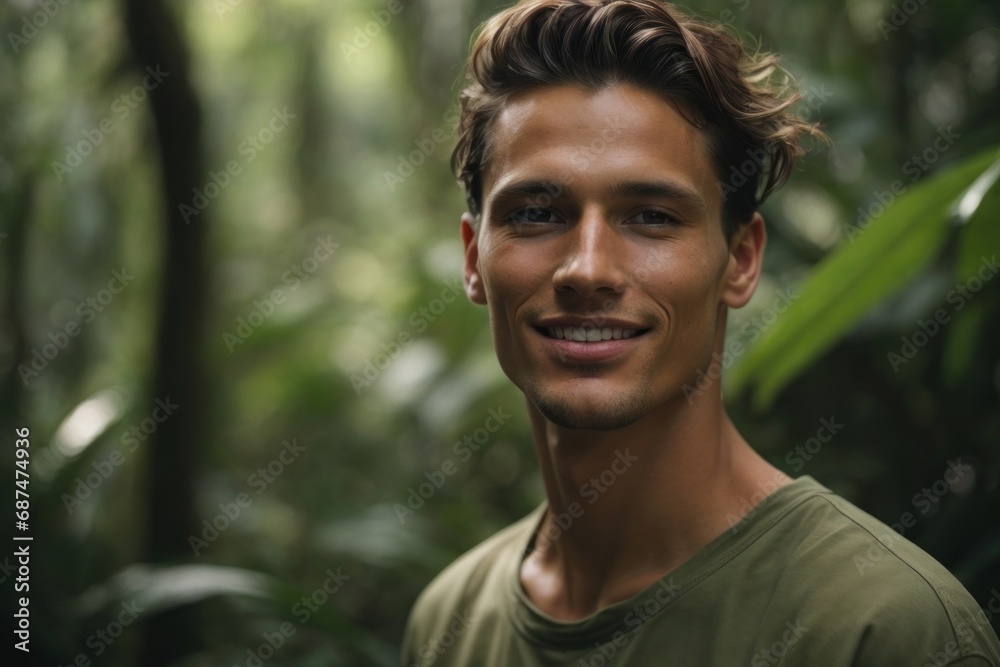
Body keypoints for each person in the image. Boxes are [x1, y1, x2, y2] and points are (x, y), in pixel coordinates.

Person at [400, 1, 1000, 665]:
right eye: (537, 213)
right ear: (472, 258)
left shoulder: (882, 629)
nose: (588, 268)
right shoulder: (448, 621)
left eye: (651, 216)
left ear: (740, 260)